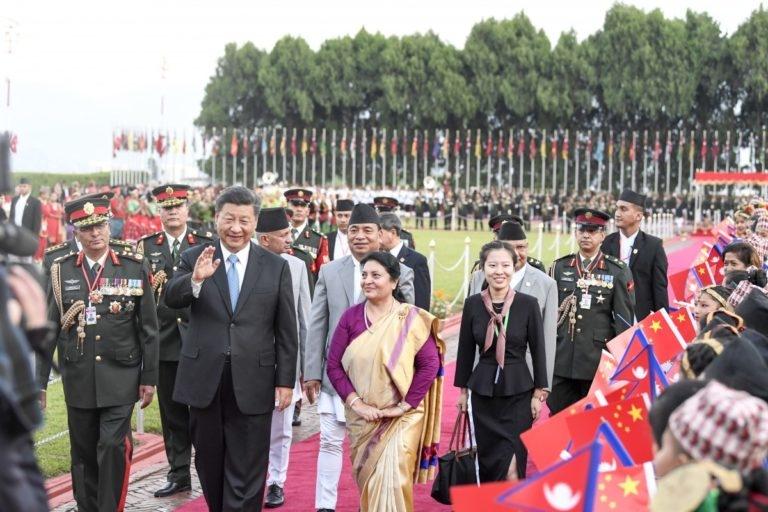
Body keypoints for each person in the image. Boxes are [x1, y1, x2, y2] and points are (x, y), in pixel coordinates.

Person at [164, 186, 297, 512]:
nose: (236, 228)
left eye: (244, 220)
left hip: (255, 378)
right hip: (205, 379)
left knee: (249, 464)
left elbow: (287, 329)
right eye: (229, 219)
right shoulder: (196, 257)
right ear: (216, 219)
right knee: (209, 462)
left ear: (254, 223)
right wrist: (195, 280)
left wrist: (285, 381)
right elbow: (171, 297)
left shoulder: (275, 265)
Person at [38, 194, 159, 512]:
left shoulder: (132, 266)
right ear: (75, 232)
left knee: (112, 446)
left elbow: (149, 328)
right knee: (83, 453)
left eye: (100, 226)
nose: (96, 233)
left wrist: (149, 378)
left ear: (109, 226)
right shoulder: (61, 270)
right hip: (78, 377)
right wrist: (38, 384)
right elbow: (49, 329)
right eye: (87, 228)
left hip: (121, 377)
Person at [303, 203, 415, 512]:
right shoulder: (329, 271)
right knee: (328, 441)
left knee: (374, 447)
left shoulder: (401, 273)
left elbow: (411, 329)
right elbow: (317, 323)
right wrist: (311, 371)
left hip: (380, 381)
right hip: (333, 375)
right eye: (354, 230)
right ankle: (325, 505)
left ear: (381, 234)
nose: (360, 236)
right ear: (346, 233)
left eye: (367, 230)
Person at [325, 251, 443, 511]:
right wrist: (357, 404)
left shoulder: (410, 318)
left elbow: (429, 364)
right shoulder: (351, 318)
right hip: (362, 418)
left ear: (394, 282)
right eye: (364, 275)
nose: (368, 280)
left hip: (402, 417)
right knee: (370, 481)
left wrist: (403, 406)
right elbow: (333, 366)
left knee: (392, 480)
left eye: (376, 275)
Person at [135, 184, 214, 498]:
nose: (172, 212)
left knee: (205, 413)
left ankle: (209, 469)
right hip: (166, 343)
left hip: (200, 340)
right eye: (166, 207)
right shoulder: (145, 248)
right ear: (159, 211)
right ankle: (179, 472)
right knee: (172, 414)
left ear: (187, 209)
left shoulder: (206, 245)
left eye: (177, 206)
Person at [455, 240, 547, 481]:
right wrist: (463, 392)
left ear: (514, 267)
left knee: (513, 463)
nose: (499, 271)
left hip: (519, 393)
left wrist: (539, 393)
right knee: (488, 461)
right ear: (483, 268)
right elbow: (465, 350)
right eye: (492, 265)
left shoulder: (528, 304)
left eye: (505, 265)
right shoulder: (473, 304)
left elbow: (539, 350)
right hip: (484, 394)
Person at [547, 208, 635, 415]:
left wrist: (618, 361)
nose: (586, 235)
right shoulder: (560, 267)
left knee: (591, 419)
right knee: (558, 416)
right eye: (582, 230)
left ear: (603, 235)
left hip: (595, 361)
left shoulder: (617, 270)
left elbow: (624, 320)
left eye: (593, 230)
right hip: (561, 358)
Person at [254, 207, 311, 509]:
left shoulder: (297, 266)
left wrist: (306, 368)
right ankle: (252, 479)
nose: (290, 240)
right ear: (264, 239)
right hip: (249, 364)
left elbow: (305, 320)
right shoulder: (245, 264)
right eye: (284, 235)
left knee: (282, 429)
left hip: (283, 364)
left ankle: (277, 481)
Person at [468, 221, 558, 393]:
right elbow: (469, 334)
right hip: (482, 375)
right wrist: (466, 381)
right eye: (511, 248)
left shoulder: (546, 284)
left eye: (521, 247)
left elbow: (547, 339)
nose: (517, 253)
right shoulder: (479, 278)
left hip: (526, 377)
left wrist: (543, 386)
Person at [602, 189, 668, 320]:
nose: (617, 214)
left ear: (638, 216)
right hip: (610, 319)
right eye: (617, 208)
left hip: (640, 318)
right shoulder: (606, 243)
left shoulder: (653, 246)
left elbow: (659, 289)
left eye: (623, 209)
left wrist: (663, 322)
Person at [379, 212, 431, 311]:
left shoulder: (417, 261)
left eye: (380, 233)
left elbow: (422, 304)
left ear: (393, 233)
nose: (376, 237)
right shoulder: (376, 257)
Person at [285, 188, 330, 278]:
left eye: (303, 206)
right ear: (287, 208)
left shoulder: (319, 240)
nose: (299, 209)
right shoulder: (278, 235)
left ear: (308, 211)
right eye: (295, 205)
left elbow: (324, 275)